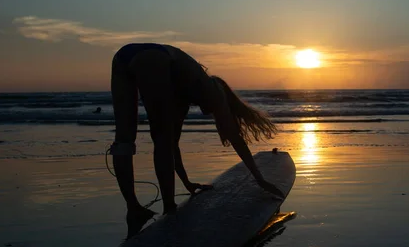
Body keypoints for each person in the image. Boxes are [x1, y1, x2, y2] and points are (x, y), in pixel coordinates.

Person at [108, 43, 285, 236]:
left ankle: (133, 208)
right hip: (154, 57)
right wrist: (259, 179)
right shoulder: (214, 90)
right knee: (162, 138)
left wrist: (186, 182)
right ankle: (169, 210)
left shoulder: (182, 94)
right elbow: (235, 138)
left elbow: (174, 146)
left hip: (122, 57)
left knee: (125, 141)